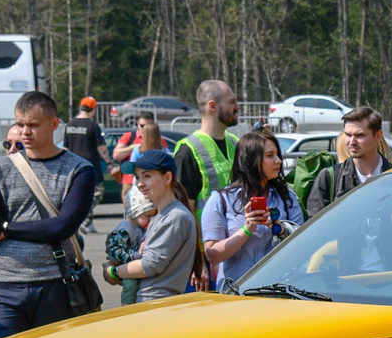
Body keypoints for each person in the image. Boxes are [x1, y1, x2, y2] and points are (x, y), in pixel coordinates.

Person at [0, 90, 97, 338]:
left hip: (56, 284)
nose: (25, 132)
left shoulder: (80, 170)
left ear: (54, 124)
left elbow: (62, 227)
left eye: (33, 125)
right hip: (5, 288)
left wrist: (7, 229)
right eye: (20, 124)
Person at [198, 130, 300, 292]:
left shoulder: (287, 198)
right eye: (270, 155)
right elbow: (213, 255)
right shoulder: (221, 200)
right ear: (251, 160)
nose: (278, 161)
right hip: (235, 291)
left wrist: (280, 229)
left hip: (278, 290)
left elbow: (302, 247)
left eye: (277, 154)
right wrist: (246, 229)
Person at [112, 149, 201, 298]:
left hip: (157, 301)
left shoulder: (175, 217)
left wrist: (113, 271)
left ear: (167, 178)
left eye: (147, 176)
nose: (140, 183)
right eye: (137, 177)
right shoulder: (161, 214)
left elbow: (149, 265)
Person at [305, 107, 392, 216]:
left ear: (378, 136)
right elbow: (316, 223)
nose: (352, 142)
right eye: (348, 135)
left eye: (360, 135)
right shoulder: (329, 178)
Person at [172, 79, 241, 208]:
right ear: (213, 106)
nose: (237, 107)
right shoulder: (187, 151)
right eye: (232, 102)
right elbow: (184, 210)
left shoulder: (235, 143)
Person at [60, 97, 106, 172]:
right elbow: (101, 147)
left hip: (73, 166)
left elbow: (66, 148)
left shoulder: (70, 124)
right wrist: (109, 162)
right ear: (93, 109)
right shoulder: (93, 125)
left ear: (81, 108)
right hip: (90, 166)